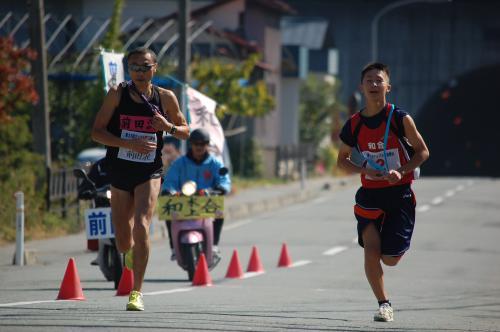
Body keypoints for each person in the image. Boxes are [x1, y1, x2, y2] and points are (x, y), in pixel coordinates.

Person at [91, 47, 189, 311]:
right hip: (120, 169)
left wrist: (167, 127)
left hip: (149, 170)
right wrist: (127, 143)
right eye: (134, 66)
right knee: (124, 240)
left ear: (155, 68)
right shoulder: (117, 94)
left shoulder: (165, 97)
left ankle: (137, 292)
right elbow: (97, 132)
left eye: (145, 66)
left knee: (142, 225)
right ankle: (132, 252)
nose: (139, 72)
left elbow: (185, 131)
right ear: (128, 69)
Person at [337, 62, 429, 322]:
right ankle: (384, 304)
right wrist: (363, 171)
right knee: (370, 250)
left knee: (389, 259)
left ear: (388, 86)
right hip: (369, 195)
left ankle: (390, 266)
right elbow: (341, 161)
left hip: (399, 194)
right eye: (369, 80)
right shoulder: (354, 124)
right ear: (361, 87)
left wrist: (402, 170)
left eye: (379, 81)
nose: (374, 85)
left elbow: (423, 152)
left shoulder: (400, 118)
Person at [162, 128, 231, 261]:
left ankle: (214, 244)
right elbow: (170, 180)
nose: (199, 147)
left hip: (206, 200)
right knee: (168, 209)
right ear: (191, 144)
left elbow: (224, 179)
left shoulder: (215, 163)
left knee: (219, 210)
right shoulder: (179, 163)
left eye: (203, 143)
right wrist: (168, 190)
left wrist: (221, 187)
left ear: (207, 145)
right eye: (196, 143)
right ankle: (173, 248)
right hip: (182, 200)